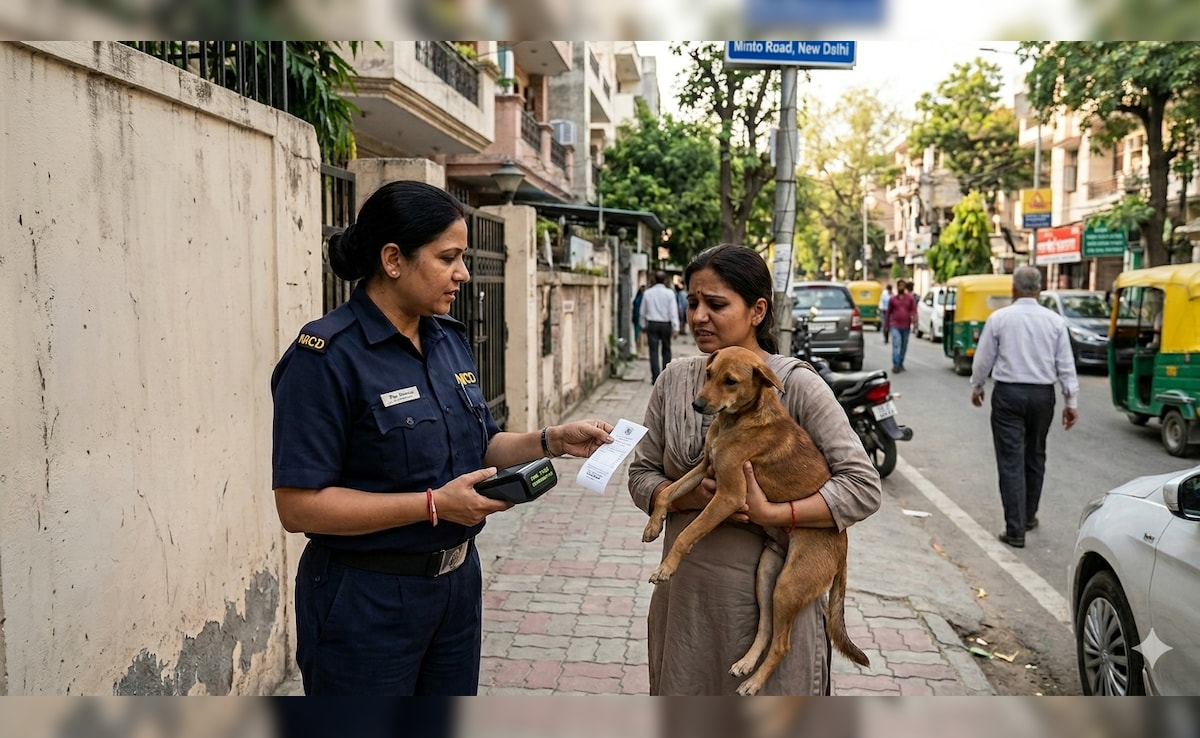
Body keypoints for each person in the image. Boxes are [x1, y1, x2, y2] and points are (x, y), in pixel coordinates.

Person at [270, 180, 615, 695]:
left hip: (456, 589)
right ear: (393, 259)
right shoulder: (326, 357)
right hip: (367, 600)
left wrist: (551, 440)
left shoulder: (447, 338)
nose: (463, 273)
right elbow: (299, 507)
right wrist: (432, 504)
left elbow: (480, 447)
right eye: (448, 257)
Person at [628, 243, 881, 695]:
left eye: (716, 304)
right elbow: (641, 474)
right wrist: (686, 495)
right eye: (692, 303)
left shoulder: (794, 384)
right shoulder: (673, 380)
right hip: (687, 601)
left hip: (767, 600)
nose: (700, 316)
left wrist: (775, 515)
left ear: (758, 310)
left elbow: (862, 487)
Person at [970, 265, 1079, 549]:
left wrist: (978, 386)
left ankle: (1015, 528)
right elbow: (1066, 365)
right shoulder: (1055, 322)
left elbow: (983, 359)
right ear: (1040, 290)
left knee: (1010, 460)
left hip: (1008, 395)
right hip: (1043, 396)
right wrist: (1071, 402)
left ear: (1013, 290)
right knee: (1036, 455)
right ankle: (1028, 516)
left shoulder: (1000, 319)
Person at [641, 270, 680, 383]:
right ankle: (666, 377)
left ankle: (655, 378)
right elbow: (673, 311)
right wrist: (676, 327)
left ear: (654, 279)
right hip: (665, 324)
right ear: (665, 280)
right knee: (666, 350)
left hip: (652, 323)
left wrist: (643, 325)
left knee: (653, 351)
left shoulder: (648, 293)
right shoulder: (670, 293)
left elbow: (643, 311)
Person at [887, 279, 918, 372]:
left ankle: (900, 362)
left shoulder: (910, 299)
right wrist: (886, 326)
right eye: (899, 285)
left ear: (905, 287)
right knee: (896, 344)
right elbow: (888, 313)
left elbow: (914, 310)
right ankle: (896, 364)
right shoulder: (892, 299)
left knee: (904, 345)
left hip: (906, 326)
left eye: (902, 285)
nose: (901, 287)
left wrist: (915, 321)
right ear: (897, 287)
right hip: (895, 325)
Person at [632, 285, 646, 356]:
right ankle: (640, 352)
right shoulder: (640, 298)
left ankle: (641, 352)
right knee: (638, 336)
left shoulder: (641, 298)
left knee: (640, 337)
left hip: (639, 319)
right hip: (637, 319)